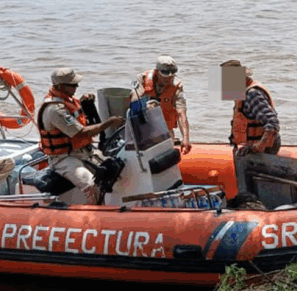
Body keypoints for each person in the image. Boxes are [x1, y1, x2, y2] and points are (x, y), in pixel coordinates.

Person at [37, 67, 124, 205]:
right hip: (64, 158)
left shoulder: (67, 100)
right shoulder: (54, 110)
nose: (77, 86)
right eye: (72, 84)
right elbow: (80, 132)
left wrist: (84, 102)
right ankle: (95, 214)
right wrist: (108, 123)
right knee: (90, 184)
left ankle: (117, 203)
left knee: (116, 169)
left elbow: (75, 116)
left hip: (84, 151)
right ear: (60, 86)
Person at [222, 59, 281, 155]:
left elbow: (272, 123)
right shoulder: (244, 93)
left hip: (262, 151)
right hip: (251, 147)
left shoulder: (252, 94)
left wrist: (260, 146)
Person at [138, 55, 192, 155]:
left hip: (165, 129)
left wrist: (185, 138)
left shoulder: (177, 87)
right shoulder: (143, 79)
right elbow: (133, 101)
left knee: (166, 153)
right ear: (156, 72)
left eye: (173, 73)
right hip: (144, 127)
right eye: (166, 74)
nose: (170, 77)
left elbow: (181, 114)